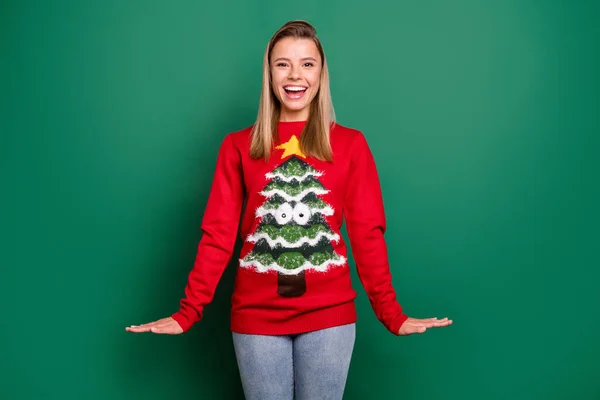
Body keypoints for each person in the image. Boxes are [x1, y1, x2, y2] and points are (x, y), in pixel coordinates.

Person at [126, 20, 452, 399]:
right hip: (255, 317)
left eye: (307, 64)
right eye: (283, 64)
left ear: (321, 73)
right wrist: (188, 311)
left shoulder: (349, 144)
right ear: (269, 73)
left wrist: (391, 313)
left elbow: (367, 234)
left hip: (329, 316)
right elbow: (217, 236)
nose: (295, 75)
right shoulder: (237, 147)